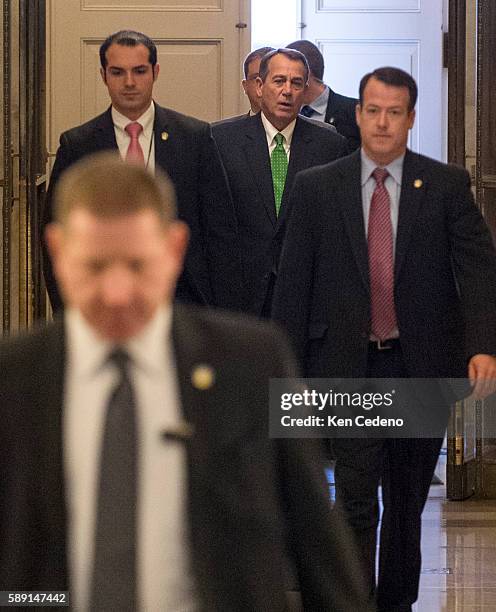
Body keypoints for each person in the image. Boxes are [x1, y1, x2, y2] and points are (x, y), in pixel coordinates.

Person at [0, 152, 370, 611]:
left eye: (137, 265)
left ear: (174, 249)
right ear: (57, 251)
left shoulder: (250, 366)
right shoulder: (15, 379)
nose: (117, 294)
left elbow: (320, 551)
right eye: (94, 267)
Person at [272, 67, 496, 611]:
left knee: (405, 504)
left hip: (418, 367)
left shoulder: (444, 186)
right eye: (372, 110)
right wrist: (288, 373)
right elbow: (295, 283)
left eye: (393, 112)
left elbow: (478, 271)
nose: (381, 122)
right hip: (349, 366)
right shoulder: (318, 187)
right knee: (354, 500)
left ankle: (395, 603)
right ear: (357, 114)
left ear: (410, 119)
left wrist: (485, 347)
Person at [41, 29, 241, 313]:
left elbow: (220, 232)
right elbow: (56, 229)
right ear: (103, 76)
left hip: (184, 299)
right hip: (102, 297)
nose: (130, 82)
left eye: (139, 71)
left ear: (155, 72)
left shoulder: (193, 137)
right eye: (118, 72)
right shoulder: (79, 145)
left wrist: (223, 315)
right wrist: (69, 311)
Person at [212, 48, 349, 316]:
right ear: (260, 86)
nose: (287, 90)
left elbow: (336, 227)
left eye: (296, 83)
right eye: (279, 81)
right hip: (239, 298)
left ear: (305, 90)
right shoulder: (221, 140)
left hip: (306, 297)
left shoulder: (329, 145)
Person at [286, 39, 360, 152]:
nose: (284, 86)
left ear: (305, 74)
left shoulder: (355, 112)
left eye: (287, 73)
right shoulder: (284, 112)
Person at [242, 46, 275, 115]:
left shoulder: (303, 125)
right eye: (256, 78)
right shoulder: (225, 126)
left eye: (274, 78)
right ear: (245, 86)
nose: (264, 85)